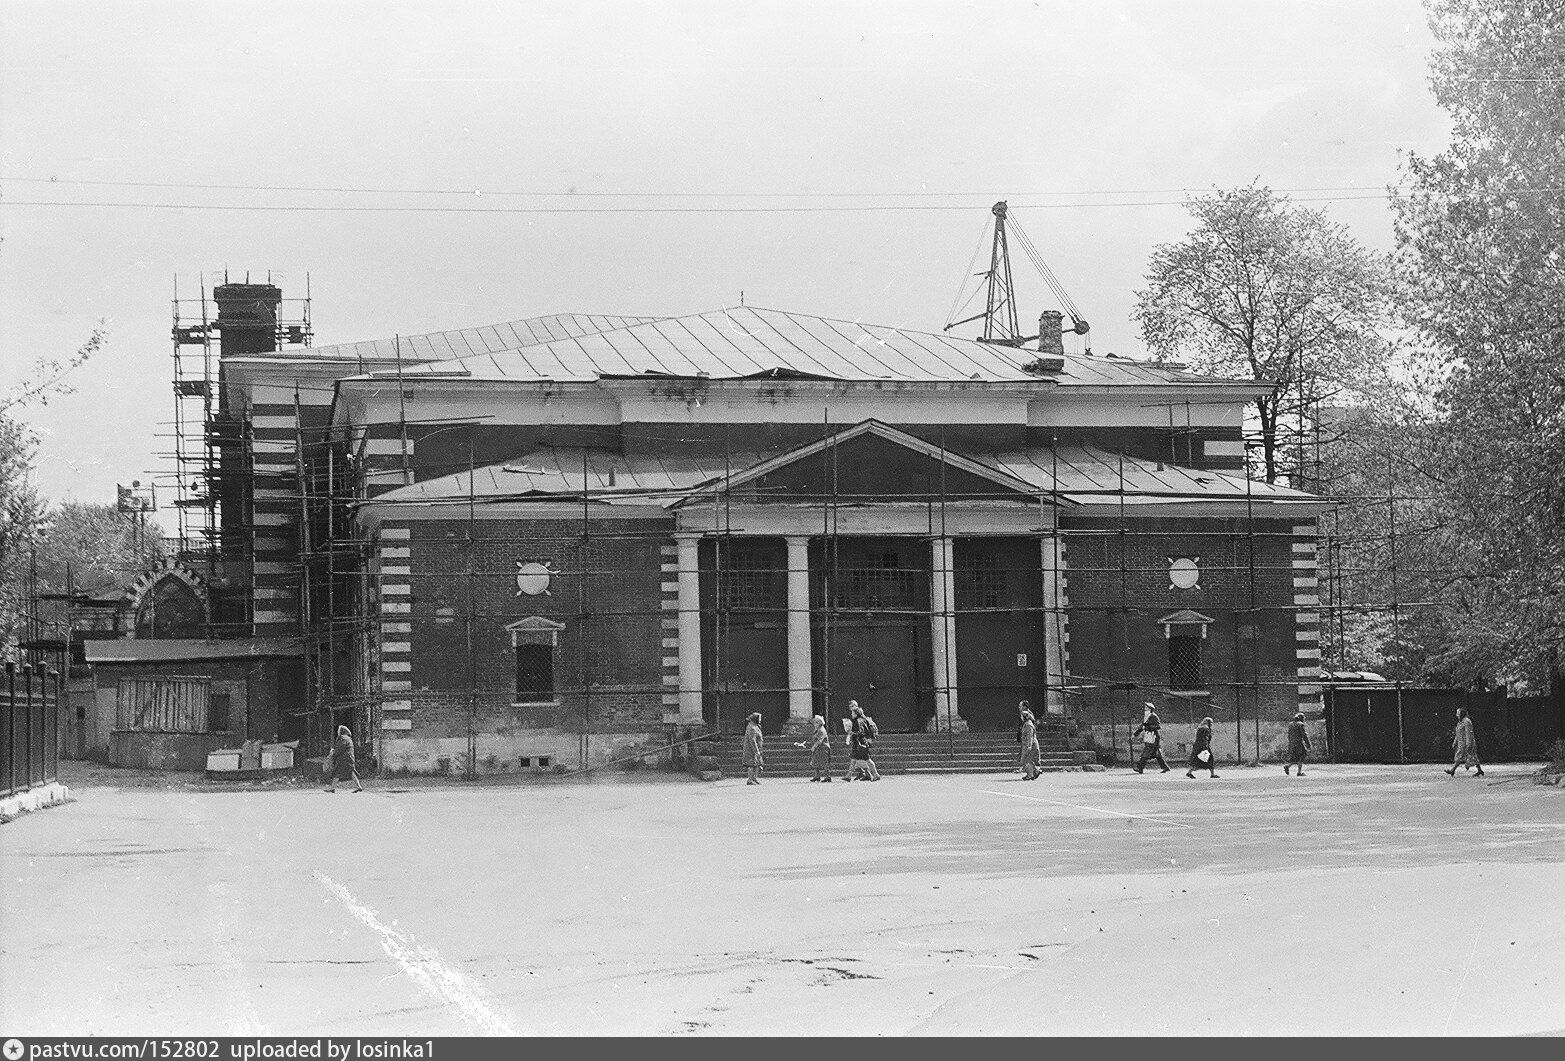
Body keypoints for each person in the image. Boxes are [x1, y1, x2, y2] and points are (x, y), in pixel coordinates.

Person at [846, 700, 881, 781]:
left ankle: (876, 774)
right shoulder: (861, 719)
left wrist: (851, 732)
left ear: (855, 713)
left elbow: (860, 732)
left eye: (852, 713)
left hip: (861, 743)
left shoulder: (858, 720)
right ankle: (848, 776)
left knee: (867, 759)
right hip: (859, 742)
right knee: (853, 759)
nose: (851, 714)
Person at [1132, 702, 1170, 774]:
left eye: (1146, 707)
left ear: (1150, 708)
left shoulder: (1153, 716)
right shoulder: (1146, 716)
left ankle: (1139, 767)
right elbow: (1142, 726)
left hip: (1154, 736)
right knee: (1157, 754)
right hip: (1149, 736)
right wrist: (1135, 734)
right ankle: (1165, 767)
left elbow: (1157, 726)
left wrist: (1147, 727)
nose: (1145, 709)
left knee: (1147, 752)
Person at [1447, 706, 1484, 777]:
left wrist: (1468, 743)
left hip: (1466, 742)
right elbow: (1457, 733)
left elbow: (1469, 733)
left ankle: (1452, 770)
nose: (1456, 714)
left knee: (1466, 756)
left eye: (1457, 713)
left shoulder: (1467, 721)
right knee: (1467, 756)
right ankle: (1479, 770)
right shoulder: (1460, 722)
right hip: (1461, 743)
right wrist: (1455, 741)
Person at [325, 724, 363, 793]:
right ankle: (359, 787)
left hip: (344, 759)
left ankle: (332, 788)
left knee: (337, 772)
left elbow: (340, 749)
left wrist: (333, 752)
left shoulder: (343, 738)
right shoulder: (348, 738)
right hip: (349, 758)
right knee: (351, 772)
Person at [795, 714, 832, 782]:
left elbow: (820, 741)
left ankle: (827, 777)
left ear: (820, 723)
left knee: (824, 763)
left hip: (823, 748)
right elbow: (813, 738)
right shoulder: (817, 729)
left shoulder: (821, 730)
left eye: (816, 722)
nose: (815, 723)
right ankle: (817, 776)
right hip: (818, 748)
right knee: (815, 761)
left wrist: (814, 747)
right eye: (815, 722)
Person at [1019, 705, 1042, 780]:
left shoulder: (1029, 725)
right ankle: (1035, 771)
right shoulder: (1026, 724)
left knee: (1028, 760)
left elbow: (1030, 736)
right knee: (1028, 759)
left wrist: (1029, 746)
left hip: (1031, 744)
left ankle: (1030, 774)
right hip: (1028, 744)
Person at [742, 712, 765, 785]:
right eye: (759, 718)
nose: (760, 720)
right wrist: (756, 751)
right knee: (751, 764)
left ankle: (754, 778)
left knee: (758, 764)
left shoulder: (756, 726)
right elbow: (752, 740)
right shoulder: (751, 727)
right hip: (751, 749)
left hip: (757, 748)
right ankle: (749, 780)